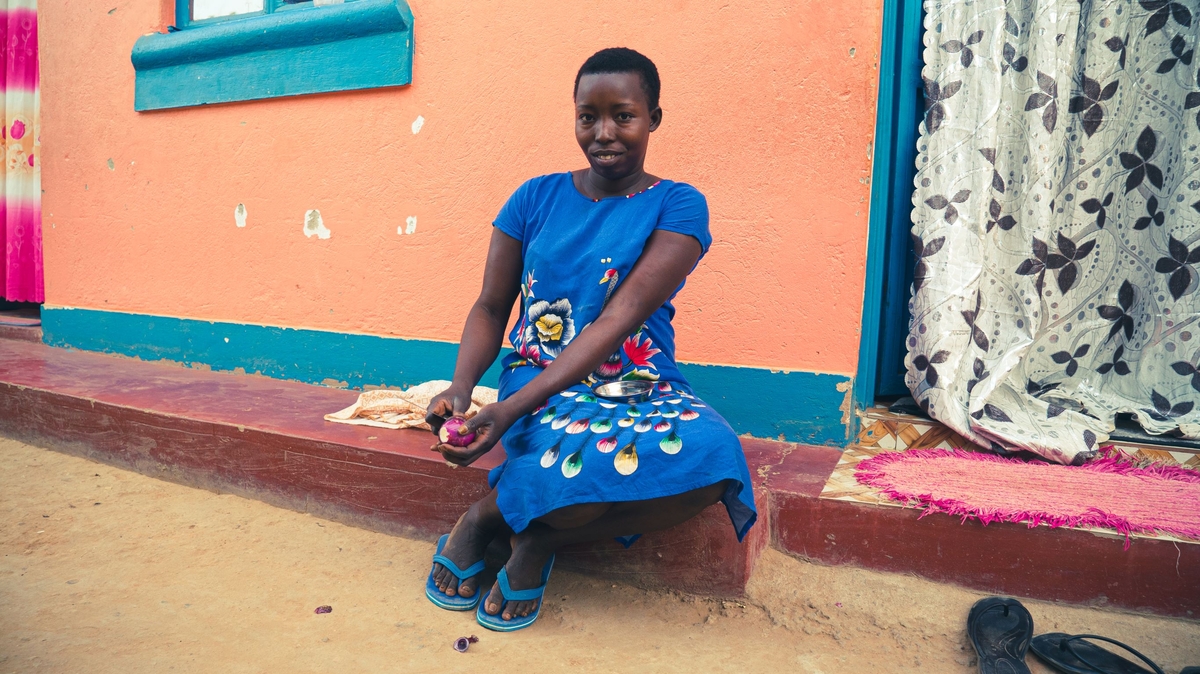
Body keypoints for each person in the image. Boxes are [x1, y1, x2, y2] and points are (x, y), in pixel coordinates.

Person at [424, 47, 757, 632]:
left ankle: (510, 528)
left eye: (623, 115)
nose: (604, 133)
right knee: (574, 457)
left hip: (640, 381)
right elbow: (491, 305)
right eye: (588, 116)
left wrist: (504, 415)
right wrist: (463, 389)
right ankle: (509, 526)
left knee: (715, 458)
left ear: (654, 117)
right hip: (539, 379)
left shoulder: (679, 204)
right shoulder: (534, 197)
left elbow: (619, 319)